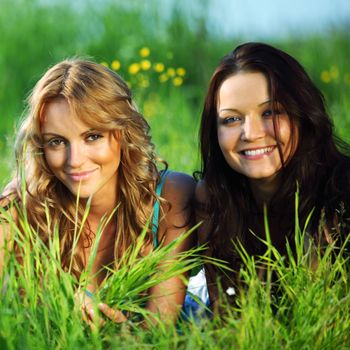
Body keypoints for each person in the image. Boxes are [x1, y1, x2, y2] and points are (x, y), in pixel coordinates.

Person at [0, 58, 195, 325]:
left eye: (92, 136)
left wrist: (119, 332)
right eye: (57, 142)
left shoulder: (171, 196)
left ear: (123, 133)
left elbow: (159, 331)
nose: (74, 160)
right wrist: (53, 308)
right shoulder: (20, 206)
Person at [195, 42, 350, 309]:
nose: (251, 133)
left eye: (271, 112)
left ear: (303, 115)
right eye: (231, 119)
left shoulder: (342, 194)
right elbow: (226, 321)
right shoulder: (212, 197)